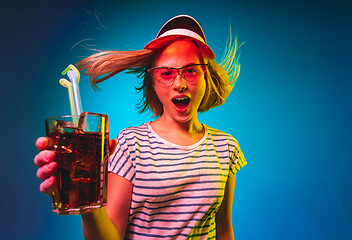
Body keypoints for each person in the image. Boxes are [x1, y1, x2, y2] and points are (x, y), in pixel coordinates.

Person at [34, 15, 247, 240]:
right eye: (166, 73)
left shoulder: (226, 147)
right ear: (153, 83)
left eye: (191, 70)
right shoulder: (131, 144)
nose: (179, 83)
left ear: (206, 76)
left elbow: (224, 231)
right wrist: (88, 204)